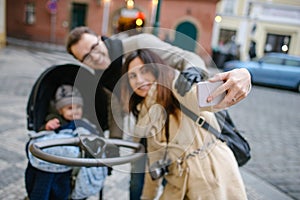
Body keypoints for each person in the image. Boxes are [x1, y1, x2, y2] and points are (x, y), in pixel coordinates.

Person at [65, 26, 251, 199]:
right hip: (148, 124)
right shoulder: (101, 75)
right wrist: (113, 149)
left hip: (181, 110)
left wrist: (196, 73)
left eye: (93, 47)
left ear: (100, 39)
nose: (94, 56)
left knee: (176, 170)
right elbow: (116, 111)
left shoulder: (138, 45)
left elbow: (185, 58)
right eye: (86, 57)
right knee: (140, 180)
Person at [121, 49, 247, 199]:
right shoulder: (144, 110)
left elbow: (203, 98)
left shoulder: (176, 86)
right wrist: (147, 197)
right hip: (178, 183)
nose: (139, 80)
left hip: (212, 174)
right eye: (132, 76)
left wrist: (240, 78)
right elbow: (154, 160)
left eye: (145, 71)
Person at [25, 85, 107, 200]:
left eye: (78, 107)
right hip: (54, 160)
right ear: (60, 110)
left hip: (71, 168)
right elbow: (42, 137)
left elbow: (93, 136)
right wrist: (47, 128)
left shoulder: (84, 123)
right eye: (70, 108)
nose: (75, 111)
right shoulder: (55, 121)